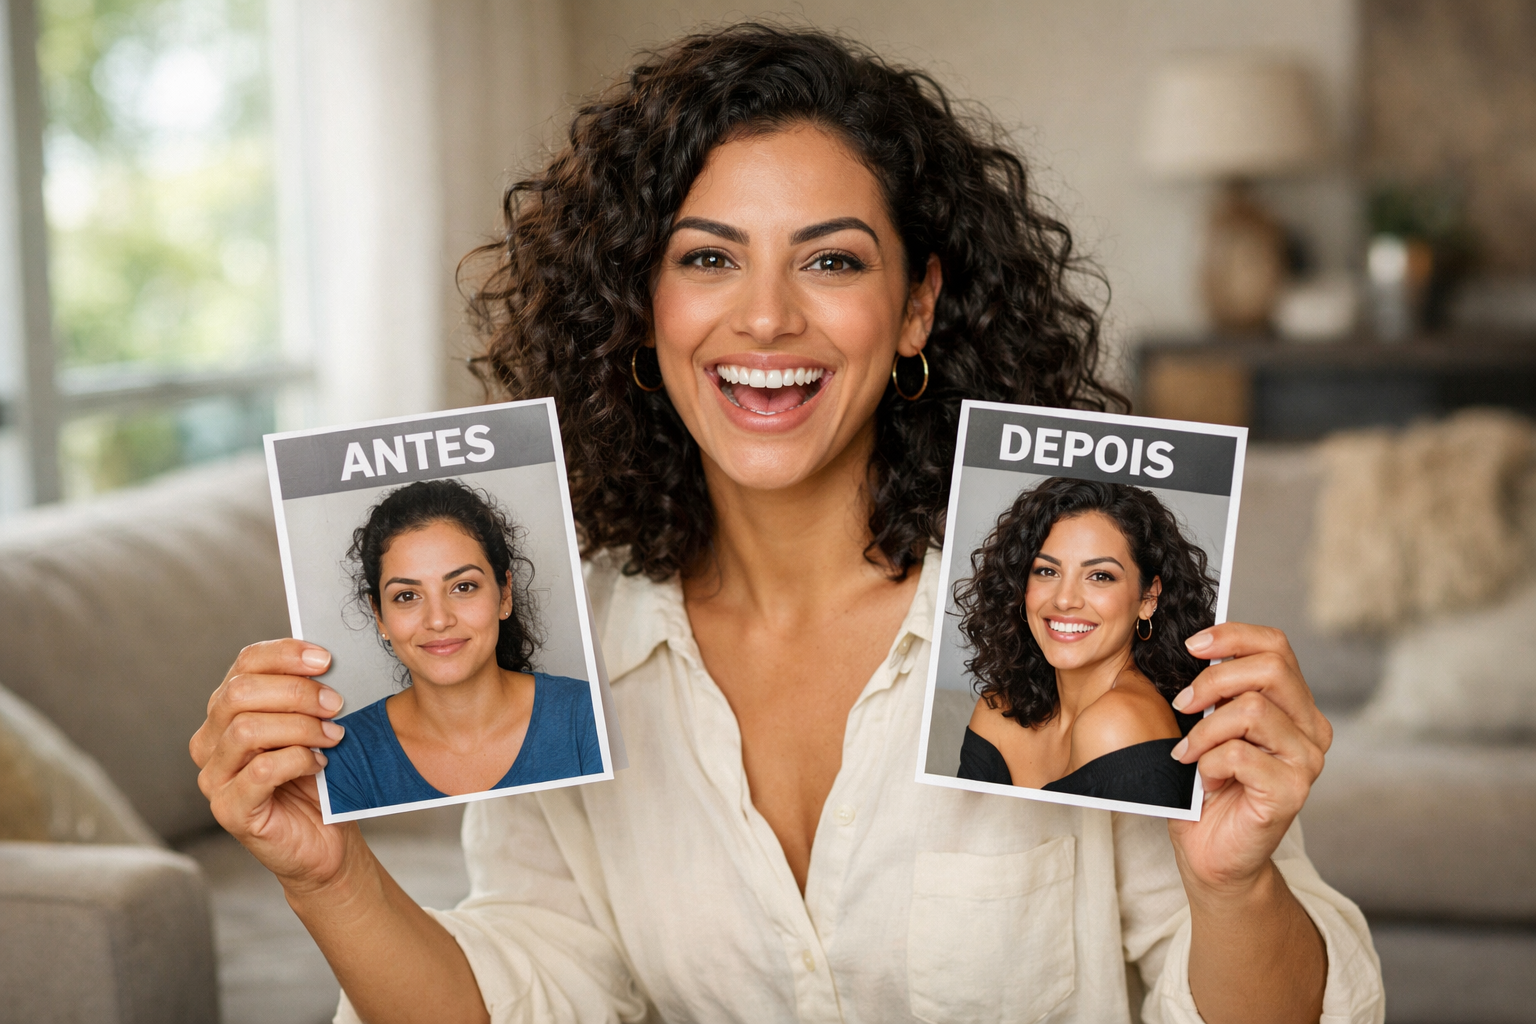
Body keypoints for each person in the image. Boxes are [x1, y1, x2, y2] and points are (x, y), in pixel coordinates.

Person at [189, 24, 1381, 1024]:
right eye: (709, 257)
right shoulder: (576, 652)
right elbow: (527, 989)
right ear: (640, 308)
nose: (764, 319)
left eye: (831, 261)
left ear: (916, 307)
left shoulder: (1067, 625)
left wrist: (1234, 888)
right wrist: (326, 875)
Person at [322, 479, 602, 815]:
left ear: (505, 594)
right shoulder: (341, 757)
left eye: (463, 586)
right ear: (379, 615)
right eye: (407, 596)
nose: (438, 620)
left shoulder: (588, 718)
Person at [955, 478, 1215, 808]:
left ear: (1149, 597)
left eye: (1100, 576)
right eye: (1047, 571)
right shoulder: (998, 707)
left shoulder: (1119, 722)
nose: (1064, 600)